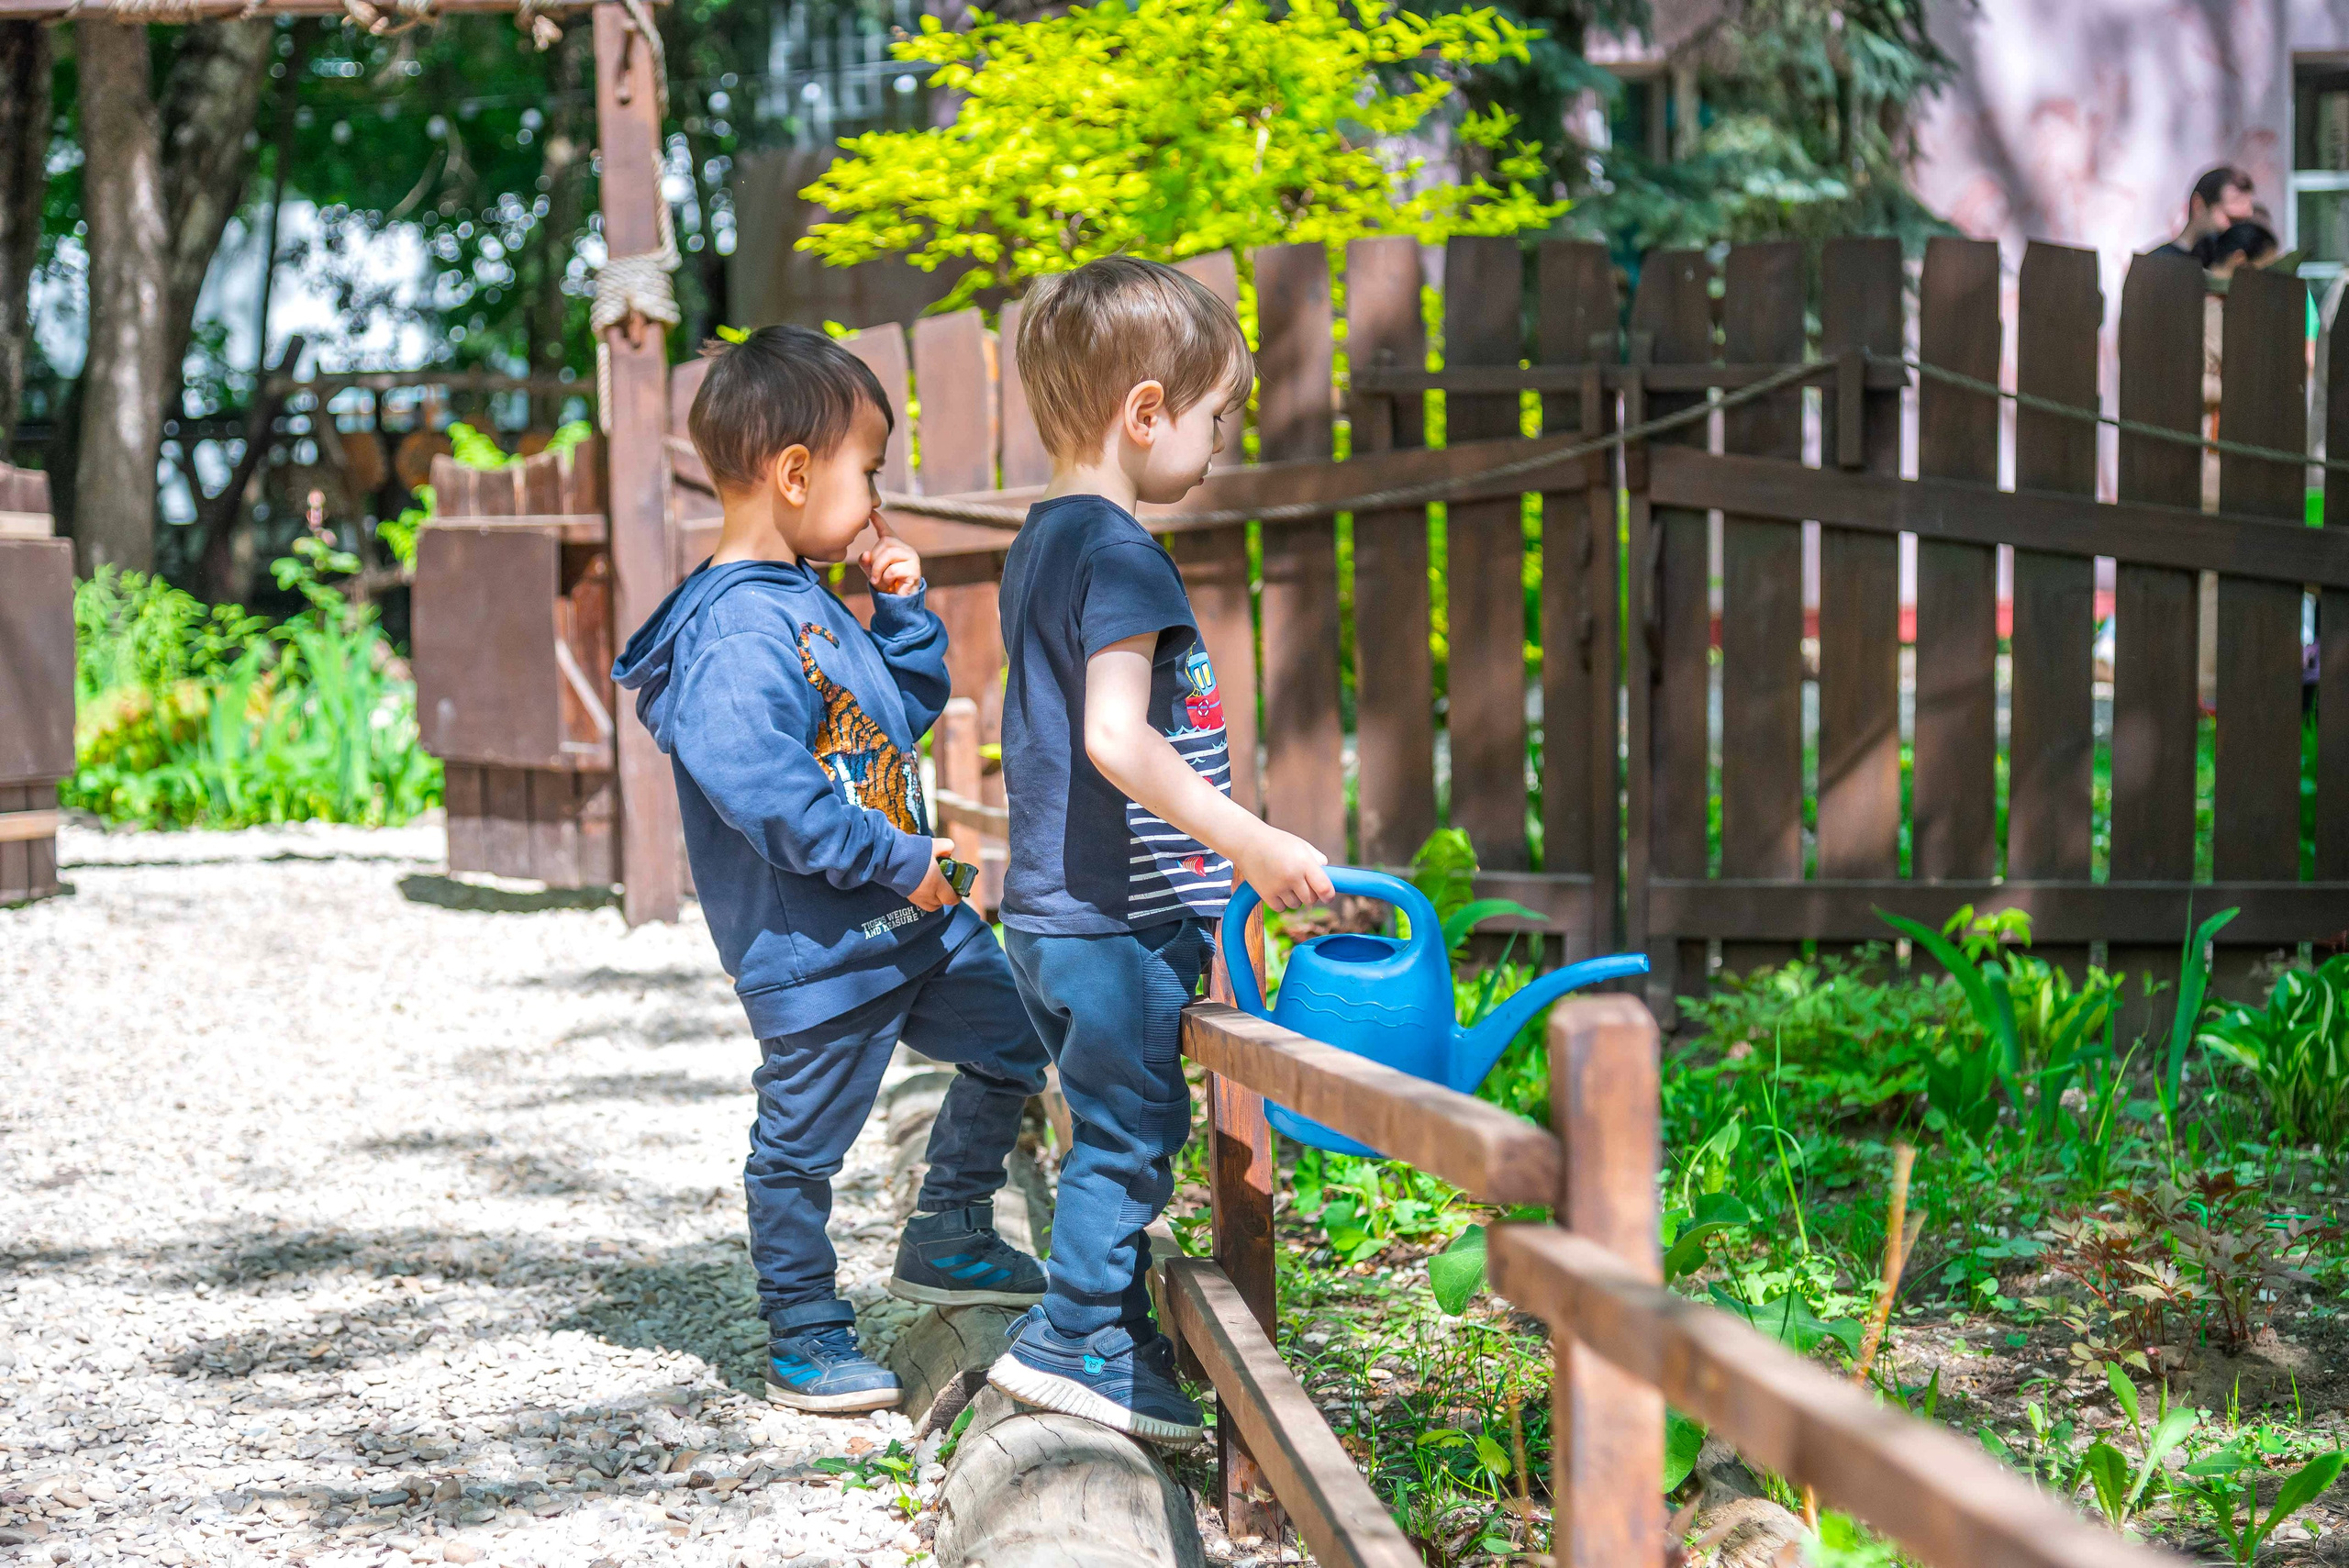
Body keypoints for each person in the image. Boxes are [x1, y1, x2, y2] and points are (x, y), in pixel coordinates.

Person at [610, 325, 1051, 1413]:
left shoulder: (806, 598)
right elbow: (766, 793)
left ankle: (950, 1229)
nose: (877, 500)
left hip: (911, 917)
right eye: (870, 472)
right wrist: (892, 856)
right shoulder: (733, 633)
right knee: (800, 1147)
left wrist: (899, 610)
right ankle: (804, 1329)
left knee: (1017, 1040)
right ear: (796, 473)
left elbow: (894, 716)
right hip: (821, 950)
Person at [983, 258, 1337, 1446]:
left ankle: (1113, 1328)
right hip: (1111, 921)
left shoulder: (1042, 542)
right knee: (1130, 1135)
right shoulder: (1122, 553)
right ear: (1145, 412)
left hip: (1047, 915)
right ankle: (1076, 1336)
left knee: (1107, 1120)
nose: (1221, 441)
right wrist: (1254, 840)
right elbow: (1115, 738)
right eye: (1216, 416)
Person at [2154, 164, 2258, 258]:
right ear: (2198, 205)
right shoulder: (2158, 264)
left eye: (2245, 223)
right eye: (2232, 220)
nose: (2240, 230)